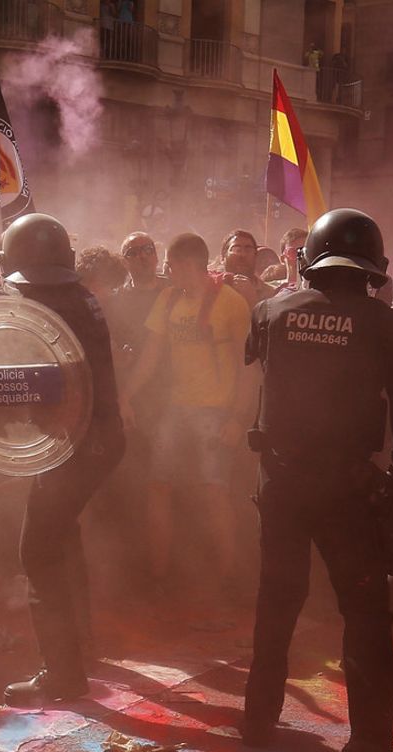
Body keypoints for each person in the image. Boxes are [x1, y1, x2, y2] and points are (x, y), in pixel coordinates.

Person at [240, 208, 393, 752]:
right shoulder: (385, 323)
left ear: (311, 260)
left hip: (280, 481)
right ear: (373, 265)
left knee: (278, 599)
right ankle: (371, 745)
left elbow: (256, 380)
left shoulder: (271, 310)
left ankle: (257, 718)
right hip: (347, 490)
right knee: (366, 615)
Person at [0, 213, 126, 705]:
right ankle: (78, 649)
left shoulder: (44, 304)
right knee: (61, 541)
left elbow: (41, 381)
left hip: (74, 444)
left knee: (37, 551)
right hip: (96, 439)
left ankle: (64, 673)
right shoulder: (80, 297)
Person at [120, 233, 252, 603]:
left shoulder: (231, 302)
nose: (166, 270)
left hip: (216, 411)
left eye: (170, 264)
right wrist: (125, 395)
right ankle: (158, 576)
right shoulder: (168, 298)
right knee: (158, 486)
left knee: (215, 492)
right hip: (177, 407)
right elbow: (151, 355)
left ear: (187, 265)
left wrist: (238, 418)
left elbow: (248, 367)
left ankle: (228, 580)